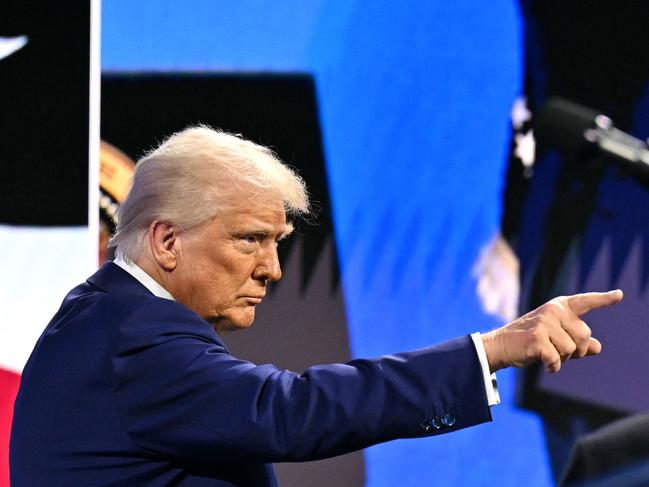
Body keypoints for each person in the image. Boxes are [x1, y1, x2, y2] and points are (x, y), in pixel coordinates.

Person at [10, 126, 623, 486]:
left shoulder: (104, 318)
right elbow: (290, 411)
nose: (273, 268)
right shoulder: (134, 335)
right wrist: (492, 349)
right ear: (167, 241)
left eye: (277, 243)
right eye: (250, 239)